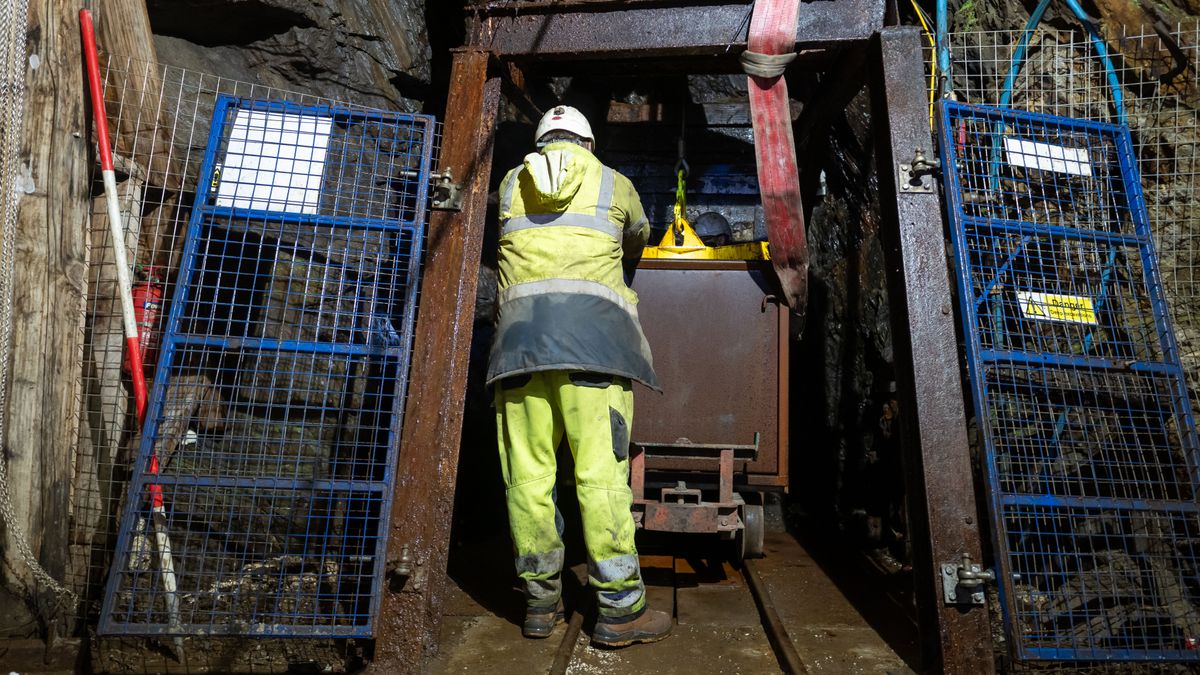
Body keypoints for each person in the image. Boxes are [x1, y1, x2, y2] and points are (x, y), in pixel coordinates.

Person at [487, 105, 671, 648]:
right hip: (595, 353)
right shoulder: (615, 184)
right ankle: (619, 610)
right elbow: (636, 238)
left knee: (528, 480)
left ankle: (540, 605)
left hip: (519, 352)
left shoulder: (508, 185)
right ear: (588, 145)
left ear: (541, 144)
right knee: (600, 479)